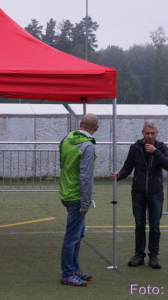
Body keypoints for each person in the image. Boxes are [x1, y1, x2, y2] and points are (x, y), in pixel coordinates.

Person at [110, 120, 168, 269]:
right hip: (138, 192)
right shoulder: (135, 148)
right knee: (139, 225)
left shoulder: (162, 148)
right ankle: (139, 254)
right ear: (142, 133)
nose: (150, 136)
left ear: (156, 134)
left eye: (152, 133)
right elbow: (128, 168)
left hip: (156, 192)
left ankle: (154, 256)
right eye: (147, 133)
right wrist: (118, 175)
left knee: (155, 226)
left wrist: (155, 152)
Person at [59, 113, 99, 287]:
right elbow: (85, 176)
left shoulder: (66, 140)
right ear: (96, 128)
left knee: (78, 234)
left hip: (66, 192)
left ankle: (74, 268)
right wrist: (85, 202)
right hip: (77, 195)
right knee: (72, 237)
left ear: (80, 124)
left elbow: (63, 165)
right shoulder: (88, 146)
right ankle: (68, 273)